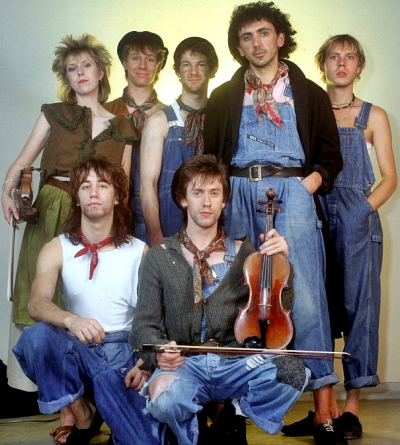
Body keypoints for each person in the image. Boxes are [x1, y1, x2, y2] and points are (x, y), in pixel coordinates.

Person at [203, 2, 345, 444]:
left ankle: (324, 412)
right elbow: (211, 156)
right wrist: (221, 196)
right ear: (239, 46)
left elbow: (330, 155)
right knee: (234, 292)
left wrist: (309, 185)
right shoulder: (224, 96)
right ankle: (230, 415)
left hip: (292, 190)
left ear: (280, 38)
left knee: (307, 297)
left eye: (263, 33)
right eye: (246, 37)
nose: (256, 43)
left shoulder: (309, 93)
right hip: (238, 191)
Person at [1, 34, 139, 443]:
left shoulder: (122, 125)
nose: (80, 73)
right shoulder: (53, 113)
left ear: (101, 72)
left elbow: (124, 183)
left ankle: (92, 401)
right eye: (72, 69)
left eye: (86, 66)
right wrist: (7, 191)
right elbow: (22, 161)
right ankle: (70, 409)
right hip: (53, 206)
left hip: (99, 216)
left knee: (86, 298)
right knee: (47, 302)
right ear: (66, 77)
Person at [128, 154, 310, 445]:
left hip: (235, 362)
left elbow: (279, 312)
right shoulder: (158, 257)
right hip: (184, 364)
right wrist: (158, 352)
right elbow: (143, 327)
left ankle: (233, 416)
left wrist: (281, 265)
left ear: (224, 200)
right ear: (183, 199)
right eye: (197, 193)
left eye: (214, 193)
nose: (206, 202)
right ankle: (194, 431)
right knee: (164, 401)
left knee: (293, 372)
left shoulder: (247, 255)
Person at [12, 157, 163, 445]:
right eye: (85, 186)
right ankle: (83, 414)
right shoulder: (56, 247)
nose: (94, 193)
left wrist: (146, 362)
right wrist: (72, 320)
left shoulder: (140, 251)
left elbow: (155, 318)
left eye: (103, 185)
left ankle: (113, 413)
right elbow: (36, 303)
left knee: (145, 441)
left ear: (117, 197)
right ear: (77, 198)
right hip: (78, 352)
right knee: (38, 337)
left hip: (124, 358)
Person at [299, 34, 395, 440]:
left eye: (350, 57)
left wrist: (362, 210)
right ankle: (322, 407)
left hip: (358, 220)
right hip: (314, 215)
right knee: (314, 309)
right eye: (334, 56)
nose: (341, 63)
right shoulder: (308, 110)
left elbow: (390, 178)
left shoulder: (373, 116)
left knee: (359, 309)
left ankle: (351, 408)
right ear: (322, 64)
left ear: (359, 66)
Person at [140, 37, 218, 246]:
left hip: (213, 232)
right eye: (186, 65)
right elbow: (148, 184)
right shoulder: (159, 121)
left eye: (201, 64)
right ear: (177, 71)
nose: (193, 71)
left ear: (212, 70)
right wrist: (156, 239)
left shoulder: (220, 121)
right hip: (169, 231)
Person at [104, 31, 169, 242]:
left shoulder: (170, 116)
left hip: (159, 214)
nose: (142, 66)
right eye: (135, 58)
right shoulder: (104, 112)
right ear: (124, 62)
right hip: (110, 213)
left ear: (159, 65)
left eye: (150, 59)